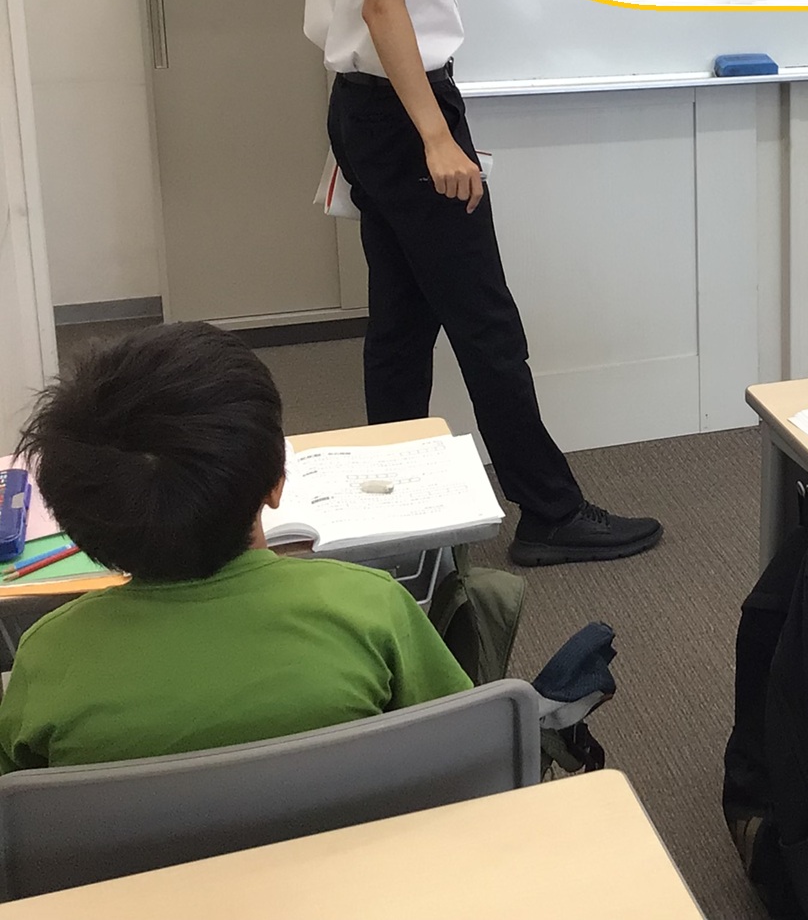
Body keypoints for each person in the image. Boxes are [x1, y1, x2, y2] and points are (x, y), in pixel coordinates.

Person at [306, 0, 660, 566]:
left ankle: (393, 514)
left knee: (402, 320)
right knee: (485, 322)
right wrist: (436, 135)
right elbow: (385, 4)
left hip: (368, 107)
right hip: (405, 111)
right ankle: (548, 512)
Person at [0, 323, 472, 772]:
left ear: (74, 520)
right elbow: (466, 740)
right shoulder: (372, 608)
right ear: (276, 481)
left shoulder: (46, 661)